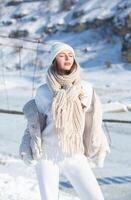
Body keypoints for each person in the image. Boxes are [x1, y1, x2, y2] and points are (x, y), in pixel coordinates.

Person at [19, 42, 110, 200]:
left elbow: (94, 121)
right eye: (62, 55)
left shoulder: (86, 89)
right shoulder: (43, 92)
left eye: (71, 55)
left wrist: (101, 145)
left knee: (95, 197)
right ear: (54, 60)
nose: (67, 58)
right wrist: (26, 146)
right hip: (47, 155)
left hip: (75, 153)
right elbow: (34, 124)